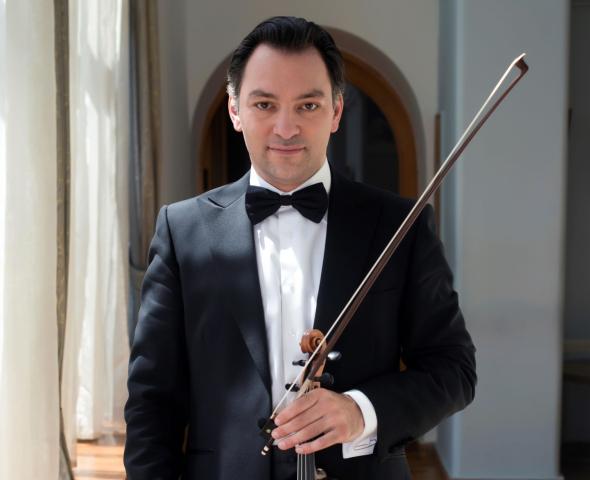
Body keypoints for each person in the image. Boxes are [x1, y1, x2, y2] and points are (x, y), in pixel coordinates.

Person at [124, 16, 476, 480]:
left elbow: (454, 369)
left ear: (336, 111)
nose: (286, 128)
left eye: (308, 105)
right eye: (264, 104)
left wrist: (360, 410)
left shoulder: (401, 226)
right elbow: (152, 402)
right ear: (235, 111)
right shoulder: (181, 230)